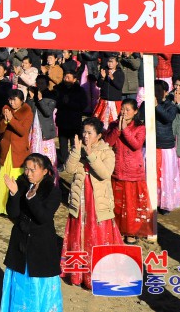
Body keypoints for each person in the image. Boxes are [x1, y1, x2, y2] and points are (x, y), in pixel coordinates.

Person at [62, 117, 121, 289]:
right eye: (84, 132)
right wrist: (75, 150)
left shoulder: (107, 152)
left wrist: (91, 155)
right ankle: (78, 274)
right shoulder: (78, 150)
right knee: (78, 232)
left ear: (99, 135)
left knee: (97, 235)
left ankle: (96, 276)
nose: (86, 136)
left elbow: (104, 174)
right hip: (80, 198)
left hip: (97, 201)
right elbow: (69, 169)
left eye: (90, 133)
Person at [0, 153, 63, 312]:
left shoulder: (53, 192)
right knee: (19, 286)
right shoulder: (21, 185)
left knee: (38, 289)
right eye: (26, 169)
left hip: (41, 247)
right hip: (20, 244)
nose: (28, 173)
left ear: (45, 171)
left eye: (33, 170)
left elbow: (43, 217)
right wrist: (14, 194)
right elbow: (13, 214)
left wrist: (32, 198)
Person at [105, 99, 154, 243]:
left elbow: (136, 145)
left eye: (128, 110)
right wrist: (118, 129)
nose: (124, 112)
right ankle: (117, 229)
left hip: (132, 171)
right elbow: (108, 142)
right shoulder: (114, 124)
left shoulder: (140, 127)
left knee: (132, 204)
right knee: (117, 203)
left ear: (135, 111)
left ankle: (131, 232)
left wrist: (125, 129)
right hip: (117, 169)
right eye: (123, 109)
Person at [0, 90, 33, 215]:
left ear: (22, 101)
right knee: (3, 178)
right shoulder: (6, 110)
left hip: (19, 150)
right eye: (10, 99)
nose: (12, 102)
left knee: (16, 179)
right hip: (6, 149)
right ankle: (0, 207)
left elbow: (22, 131)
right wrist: (5, 121)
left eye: (15, 99)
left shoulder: (28, 113)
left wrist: (11, 120)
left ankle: (14, 208)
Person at [153, 81, 180, 212]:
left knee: (166, 175)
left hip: (165, 144)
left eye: (159, 90)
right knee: (152, 174)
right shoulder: (146, 104)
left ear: (166, 92)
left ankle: (166, 202)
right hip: (150, 144)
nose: (156, 93)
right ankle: (153, 200)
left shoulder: (170, 105)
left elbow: (168, 118)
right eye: (154, 90)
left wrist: (156, 107)